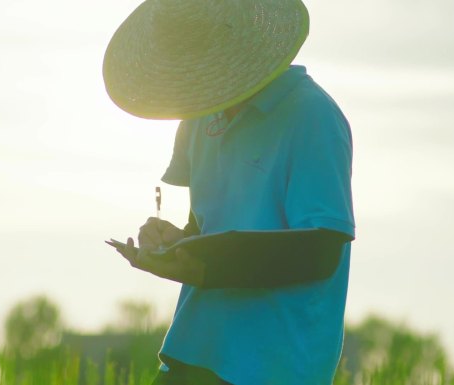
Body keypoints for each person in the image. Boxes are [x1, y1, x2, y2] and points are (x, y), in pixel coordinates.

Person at [102, 0, 355, 384]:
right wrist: (175, 244)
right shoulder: (199, 116)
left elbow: (321, 252)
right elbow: (205, 228)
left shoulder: (311, 115)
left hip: (273, 365)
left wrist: (207, 264)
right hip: (194, 349)